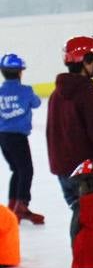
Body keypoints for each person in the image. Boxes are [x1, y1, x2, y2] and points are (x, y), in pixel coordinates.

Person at [47, 36, 93, 208]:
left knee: (81, 223)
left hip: (64, 171)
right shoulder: (87, 94)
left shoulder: (56, 95)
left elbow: (53, 134)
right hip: (86, 173)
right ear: (86, 61)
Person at [0, 53, 44, 224]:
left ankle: (12, 205)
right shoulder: (26, 91)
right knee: (26, 170)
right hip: (18, 138)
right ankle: (22, 206)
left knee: (17, 170)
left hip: (3, 137)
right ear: (20, 72)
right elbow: (37, 103)